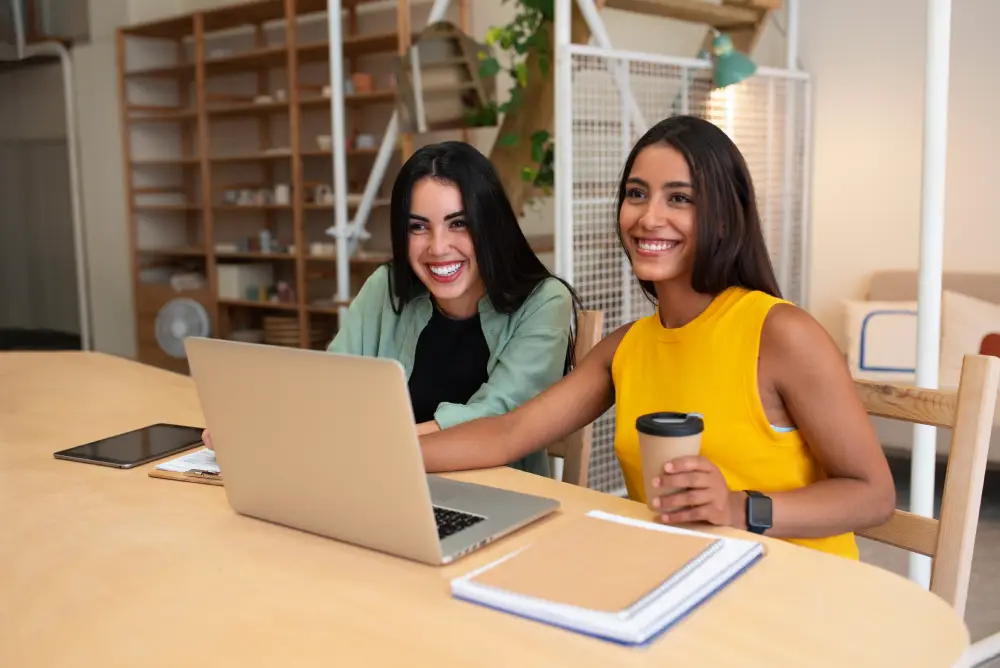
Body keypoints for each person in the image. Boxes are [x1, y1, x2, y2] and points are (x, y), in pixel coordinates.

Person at [417, 116, 895, 560]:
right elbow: (509, 434)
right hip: (682, 588)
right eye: (637, 194)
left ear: (725, 217)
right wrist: (376, 453)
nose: (648, 217)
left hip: (796, 604)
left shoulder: (782, 334)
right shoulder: (627, 348)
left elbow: (874, 495)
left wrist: (739, 508)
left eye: (679, 198)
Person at [203, 141, 579, 479]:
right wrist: (261, 426)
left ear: (490, 224)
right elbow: (335, 384)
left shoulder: (545, 303)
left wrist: (370, 448)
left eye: (459, 223)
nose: (438, 247)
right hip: (383, 484)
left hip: (499, 495)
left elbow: (496, 420)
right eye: (418, 227)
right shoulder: (387, 286)